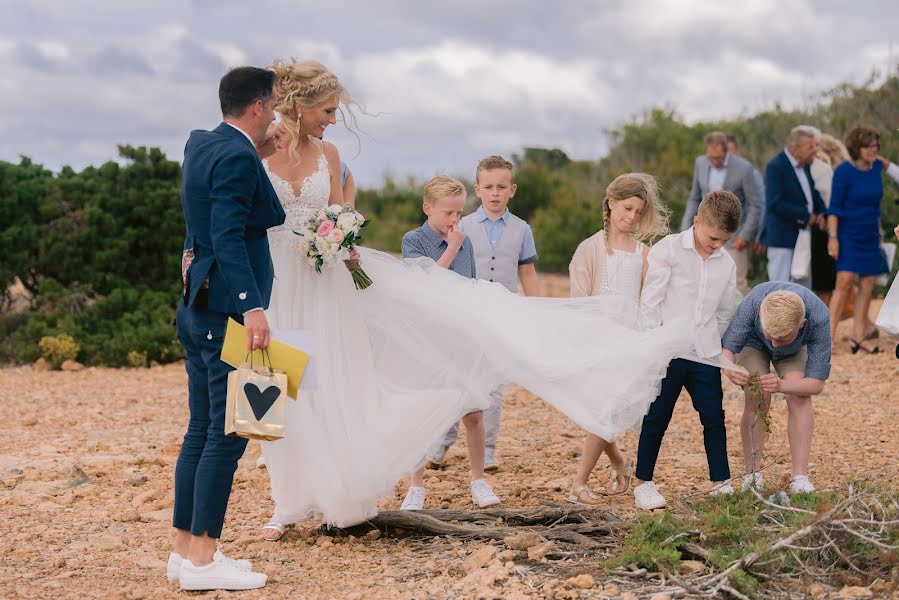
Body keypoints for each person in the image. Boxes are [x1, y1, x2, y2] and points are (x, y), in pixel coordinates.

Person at [256, 58, 702, 538]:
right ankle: (285, 502)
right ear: (298, 106)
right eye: (327, 109)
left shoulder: (331, 155)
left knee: (331, 385)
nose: (333, 118)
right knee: (272, 387)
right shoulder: (259, 150)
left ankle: (335, 496)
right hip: (272, 282)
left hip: (326, 281)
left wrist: (342, 234)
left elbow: (338, 214)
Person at [169, 66, 284, 590]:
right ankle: (203, 563)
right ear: (258, 107)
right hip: (227, 314)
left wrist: (258, 158)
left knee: (200, 431)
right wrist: (253, 307)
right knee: (227, 434)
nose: (278, 115)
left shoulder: (204, 144)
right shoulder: (237, 155)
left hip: (197, 306)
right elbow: (228, 234)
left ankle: (186, 551)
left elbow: (222, 205)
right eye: (275, 106)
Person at [426, 156, 540, 473]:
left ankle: (488, 450)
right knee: (455, 379)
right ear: (477, 189)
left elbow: (527, 272)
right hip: (464, 314)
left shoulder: (521, 229)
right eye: (488, 187)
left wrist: (535, 310)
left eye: (501, 187)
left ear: (512, 190)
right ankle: (441, 442)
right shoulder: (461, 225)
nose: (494, 193)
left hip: (501, 315)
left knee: (492, 386)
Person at [633, 190, 743, 510]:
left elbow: (724, 311)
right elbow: (651, 302)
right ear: (697, 222)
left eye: (724, 240)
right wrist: (650, 346)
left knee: (713, 417)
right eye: (713, 238)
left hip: (704, 353)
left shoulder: (727, 264)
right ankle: (644, 483)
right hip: (668, 349)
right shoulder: (668, 250)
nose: (718, 245)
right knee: (657, 416)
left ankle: (720, 482)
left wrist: (715, 345)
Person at [566, 173, 669, 504]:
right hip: (595, 341)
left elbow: (647, 302)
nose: (631, 217)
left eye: (638, 212)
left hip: (627, 344)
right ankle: (621, 462)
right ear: (610, 203)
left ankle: (579, 483)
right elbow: (579, 300)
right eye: (627, 208)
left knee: (604, 412)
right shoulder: (589, 250)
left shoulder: (644, 254)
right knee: (596, 413)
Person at [399, 175, 501, 510]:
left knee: (473, 412)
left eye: (459, 213)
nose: (455, 221)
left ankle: (478, 480)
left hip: (460, 335)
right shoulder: (413, 240)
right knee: (423, 411)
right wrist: (453, 247)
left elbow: (468, 285)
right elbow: (424, 286)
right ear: (428, 208)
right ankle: (415, 485)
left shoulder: (464, 242)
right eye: (448, 214)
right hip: (426, 339)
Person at [721, 284, 831, 494]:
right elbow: (728, 351)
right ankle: (752, 474)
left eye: (781, 338)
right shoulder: (753, 303)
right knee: (758, 394)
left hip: (796, 349)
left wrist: (782, 385)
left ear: (802, 324)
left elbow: (816, 384)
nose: (774, 344)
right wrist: (730, 370)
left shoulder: (819, 316)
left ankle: (799, 477)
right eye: (770, 335)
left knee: (799, 396)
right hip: (753, 342)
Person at [826, 125, 899, 353]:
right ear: (856, 148)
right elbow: (834, 208)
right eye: (868, 146)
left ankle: (858, 336)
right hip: (848, 234)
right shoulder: (844, 171)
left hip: (871, 235)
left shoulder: (877, 166)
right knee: (844, 282)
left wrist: (880, 157)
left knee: (868, 284)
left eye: (875, 146)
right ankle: (827, 338)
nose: (872, 150)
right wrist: (833, 238)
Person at [681, 132, 763, 296]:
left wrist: (745, 235)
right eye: (711, 157)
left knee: (736, 286)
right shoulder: (700, 163)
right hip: (704, 234)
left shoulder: (744, 168)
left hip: (733, 237)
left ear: (727, 152)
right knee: (701, 283)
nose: (714, 162)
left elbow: (755, 204)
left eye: (718, 158)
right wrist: (685, 229)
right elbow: (694, 198)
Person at [761, 126, 827, 288]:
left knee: (802, 288)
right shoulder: (776, 166)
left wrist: (821, 212)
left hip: (803, 238)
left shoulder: (805, 166)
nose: (815, 150)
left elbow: (813, 194)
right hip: (782, 238)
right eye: (810, 147)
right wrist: (806, 216)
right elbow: (775, 203)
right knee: (779, 288)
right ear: (795, 148)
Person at [809, 134, 851, 305]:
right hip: (835, 228)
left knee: (823, 284)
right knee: (827, 284)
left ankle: (824, 323)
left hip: (823, 229)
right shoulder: (846, 168)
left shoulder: (824, 168)